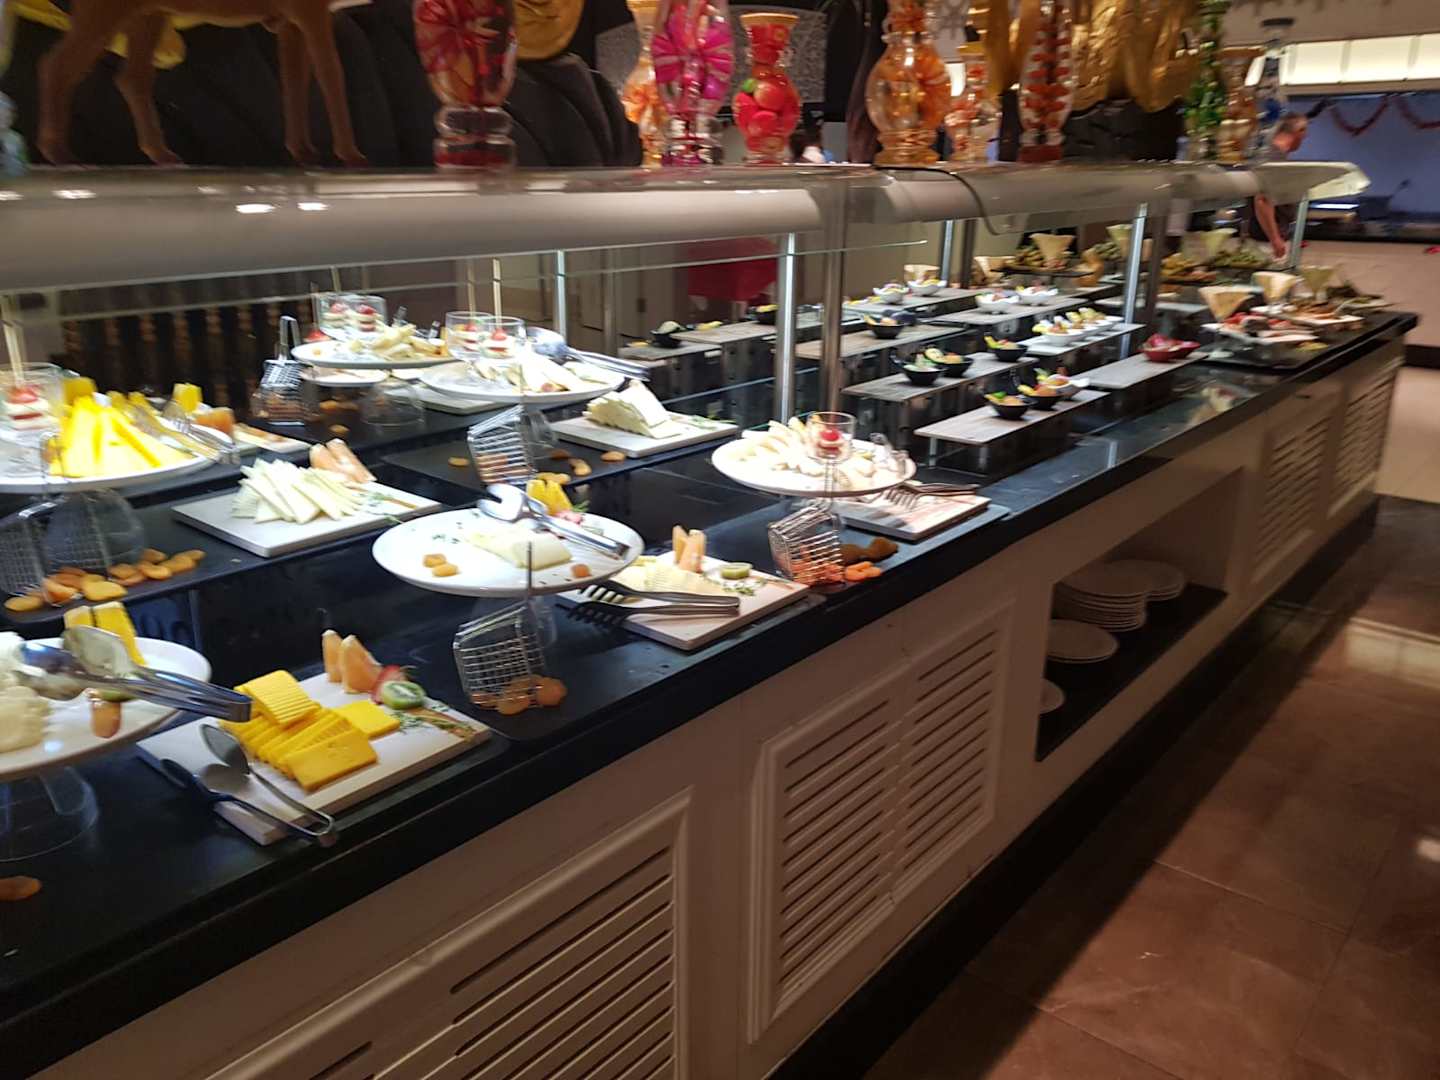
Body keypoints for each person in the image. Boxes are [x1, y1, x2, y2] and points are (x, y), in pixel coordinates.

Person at [1250, 112, 1309, 260]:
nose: (1305, 137)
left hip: (1272, 239)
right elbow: (1262, 200)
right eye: (1304, 132)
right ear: (1298, 132)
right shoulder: (1273, 157)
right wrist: (1275, 239)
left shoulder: (1275, 155)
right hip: (1267, 243)